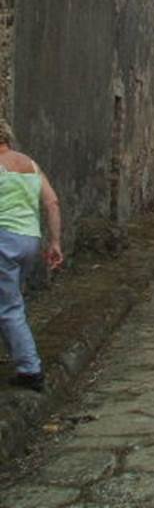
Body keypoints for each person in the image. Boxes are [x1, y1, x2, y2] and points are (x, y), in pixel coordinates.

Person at [0, 119, 62, 392]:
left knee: (9, 307)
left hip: (4, 239)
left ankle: (30, 368)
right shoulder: (30, 164)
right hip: (29, 240)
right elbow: (52, 202)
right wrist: (55, 242)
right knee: (10, 299)